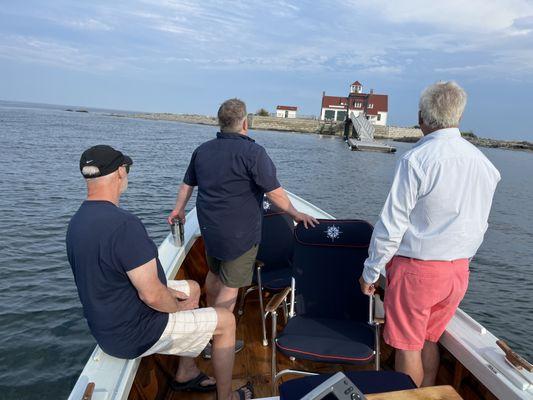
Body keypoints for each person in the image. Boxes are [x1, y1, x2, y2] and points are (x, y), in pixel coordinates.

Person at [66, 145, 253, 400]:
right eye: (127, 169)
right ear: (121, 172)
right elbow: (152, 296)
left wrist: (178, 298)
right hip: (135, 332)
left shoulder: (77, 222)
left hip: (105, 327)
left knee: (193, 289)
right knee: (226, 321)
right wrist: (176, 308)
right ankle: (226, 397)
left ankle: (186, 371)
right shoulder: (124, 225)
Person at [359, 82, 500, 387]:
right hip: (457, 273)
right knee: (428, 339)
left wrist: (371, 272)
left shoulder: (417, 159)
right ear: (458, 116)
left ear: (422, 116)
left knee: (408, 347)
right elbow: (480, 226)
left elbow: (392, 223)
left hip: (417, 273)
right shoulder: (485, 165)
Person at [168, 99, 317, 350]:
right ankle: (218, 336)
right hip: (239, 236)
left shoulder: (202, 150)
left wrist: (179, 209)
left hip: (210, 231)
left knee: (214, 275)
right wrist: (294, 213)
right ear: (246, 123)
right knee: (230, 288)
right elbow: (275, 193)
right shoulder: (253, 152)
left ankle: (207, 328)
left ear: (220, 122)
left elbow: (187, 185)